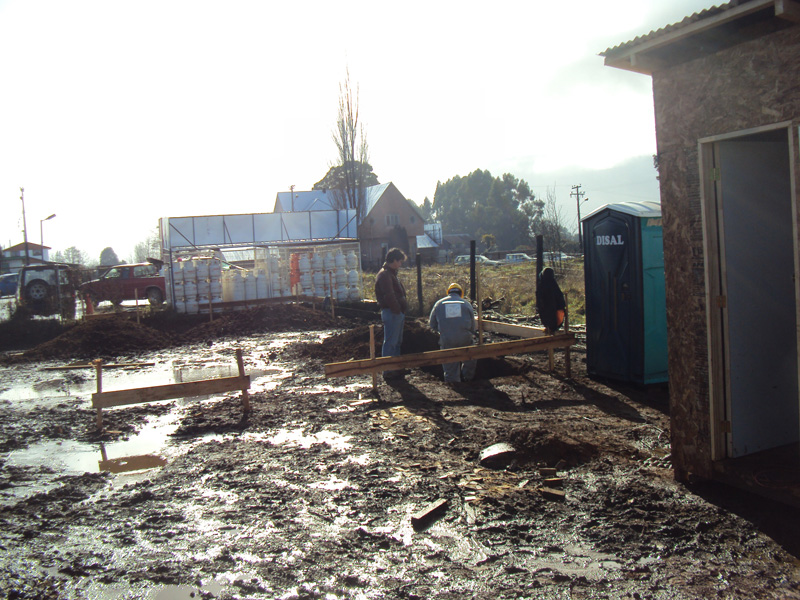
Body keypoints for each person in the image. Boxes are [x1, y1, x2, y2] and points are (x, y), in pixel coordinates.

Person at [429, 282, 477, 383]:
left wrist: (442, 332)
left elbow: (432, 323)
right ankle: (468, 379)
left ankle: (453, 383)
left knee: (449, 361)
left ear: (448, 292)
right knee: (470, 357)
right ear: (461, 293)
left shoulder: (439, 304)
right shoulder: (466, 304)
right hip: (465, 339)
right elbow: (473, 325)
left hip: (447, 339)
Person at [374, 248, 408, 380]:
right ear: (393, 260)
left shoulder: (389, 273)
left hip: (394, 312)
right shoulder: (385, 275)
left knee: (396, 341)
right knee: (391, 342)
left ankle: (395, 367)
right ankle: (388, 369)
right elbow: (389, 295)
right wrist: (397, 310)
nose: (400, 264)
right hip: (392, 312)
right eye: (399, 261)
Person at [535, 267, 566, 333]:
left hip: (548, 312)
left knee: (548, 316)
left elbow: (539, 301)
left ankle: (550, 328)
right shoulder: (554, 285)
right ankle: (552, 329)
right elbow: (560, 298)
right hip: (556, 313)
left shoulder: (541, 286)